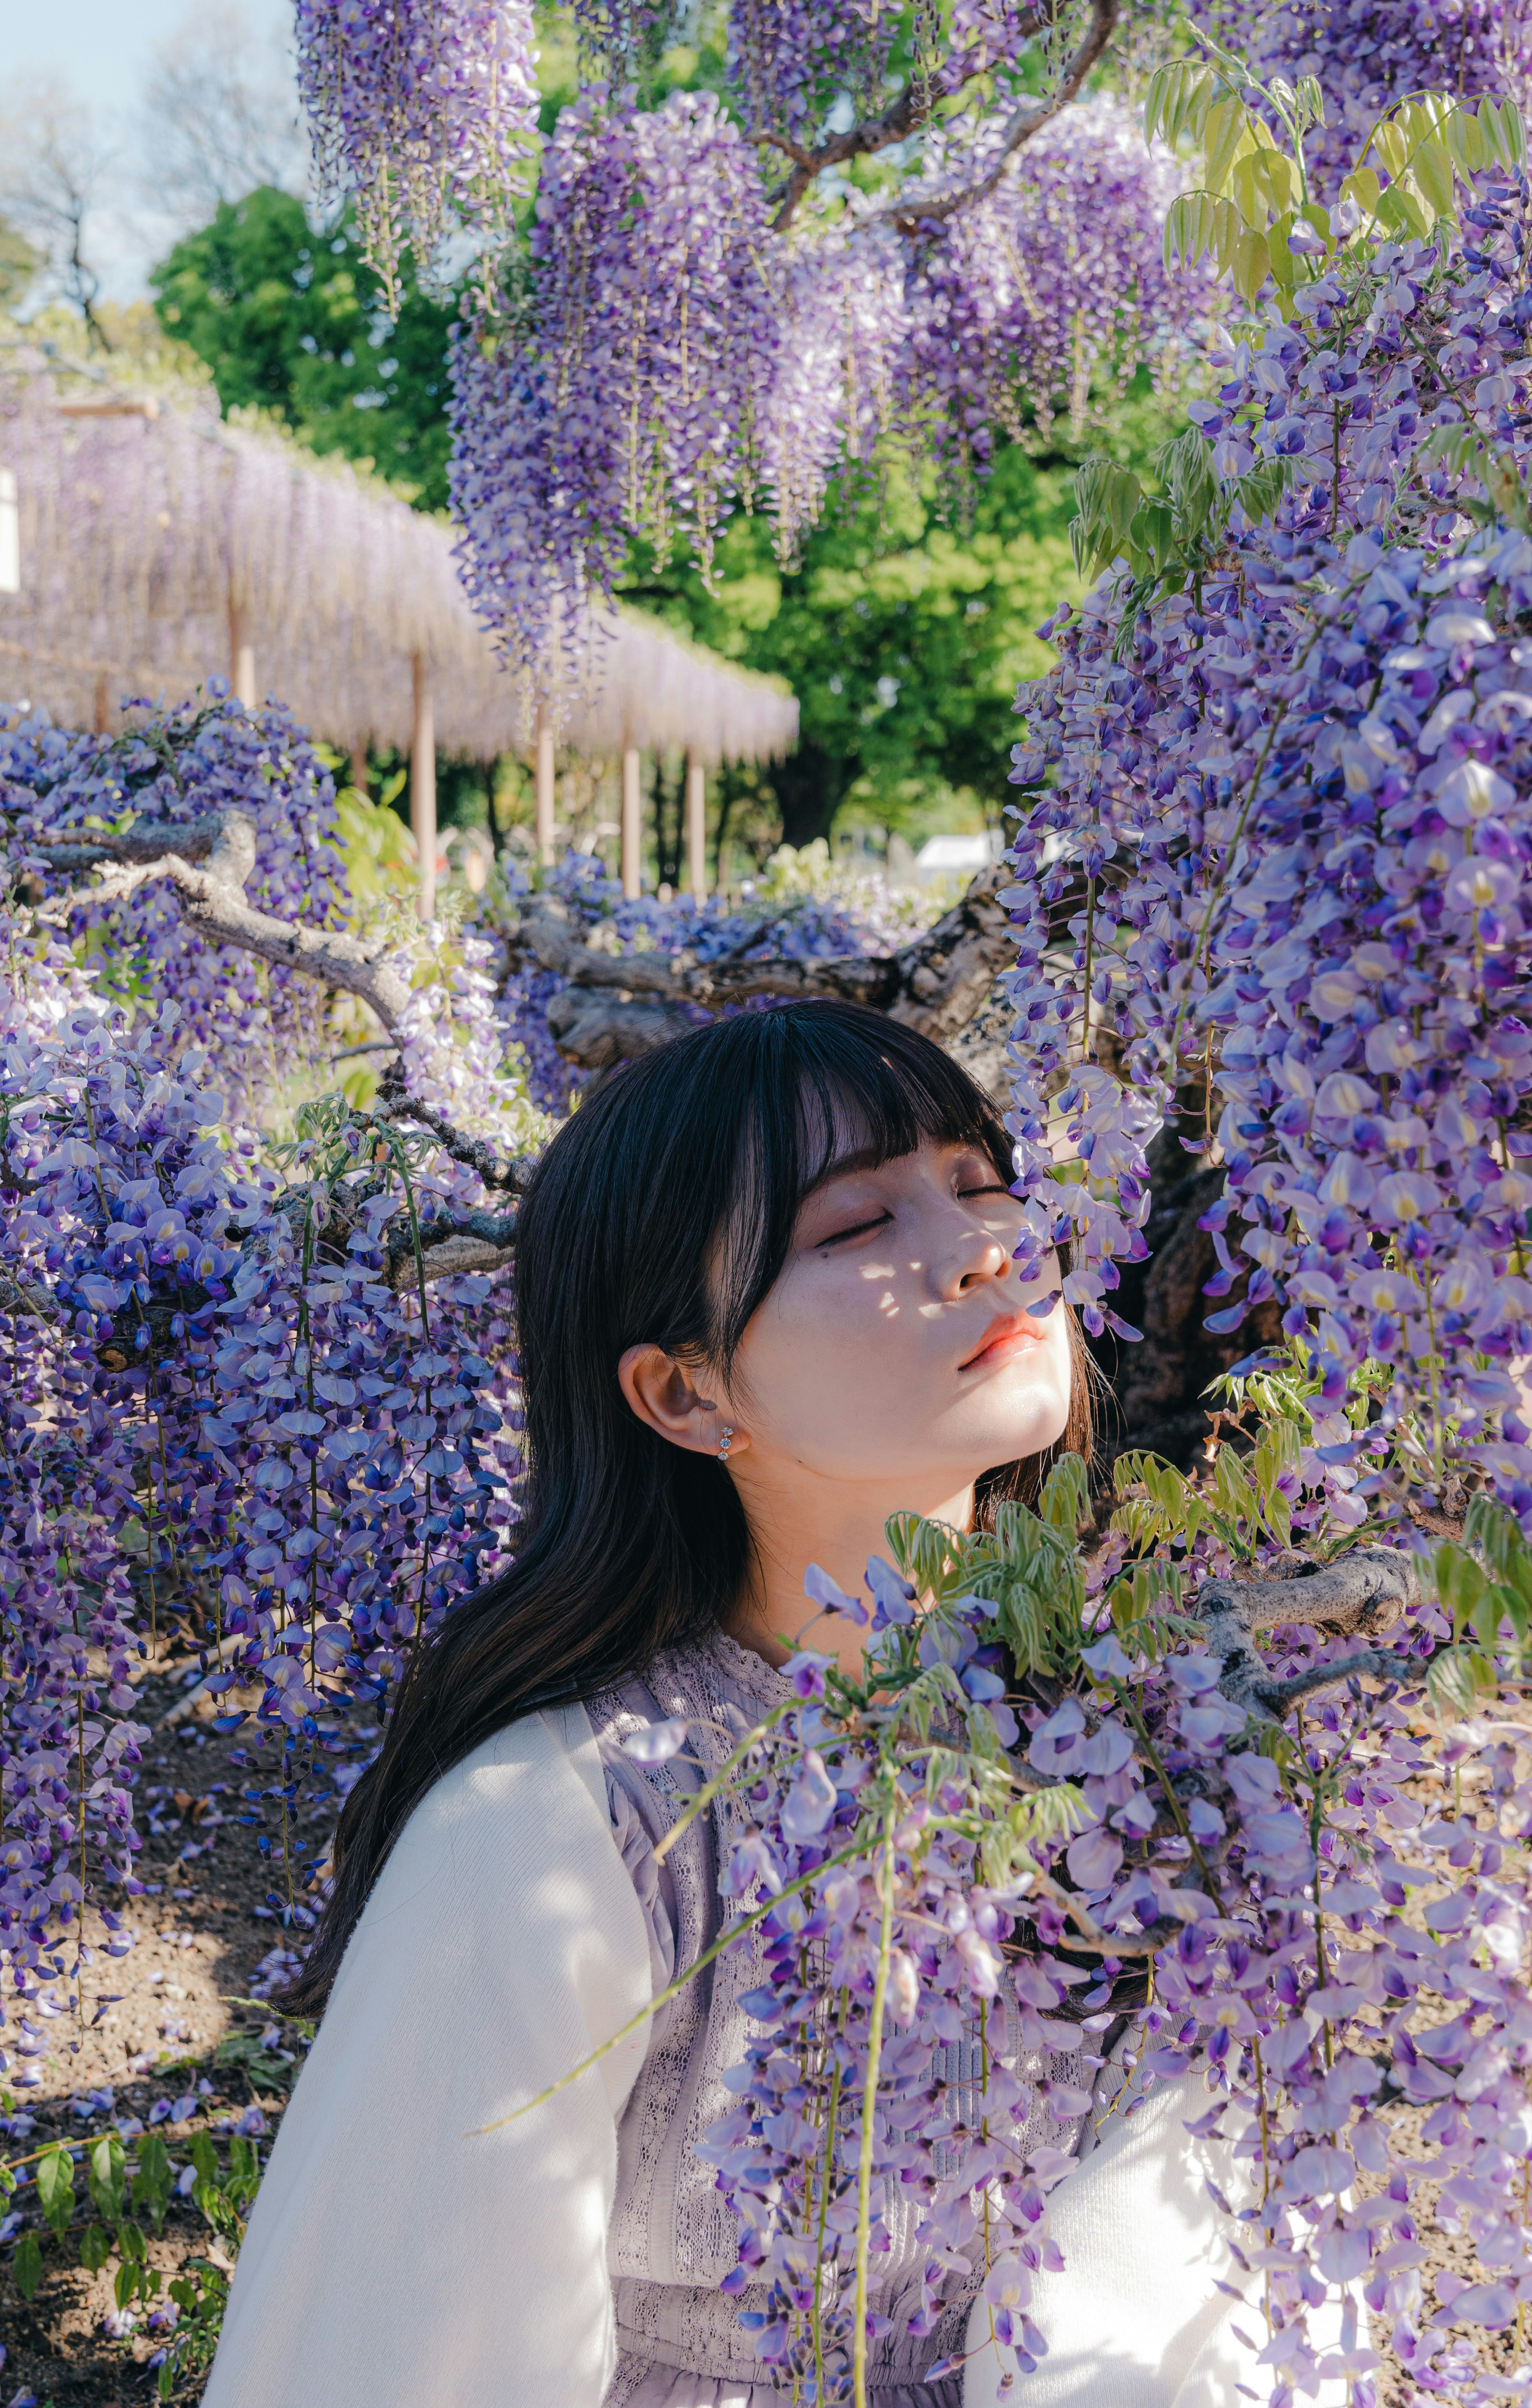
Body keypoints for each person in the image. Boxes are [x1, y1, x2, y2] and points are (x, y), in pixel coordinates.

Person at [203, 1001, 1243, 2408]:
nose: (987, 1248)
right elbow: (399, 2358)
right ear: (690, 1395)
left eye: (981, 1181)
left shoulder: (1147, 1721)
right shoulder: (562, 1825)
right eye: (857, 1227)